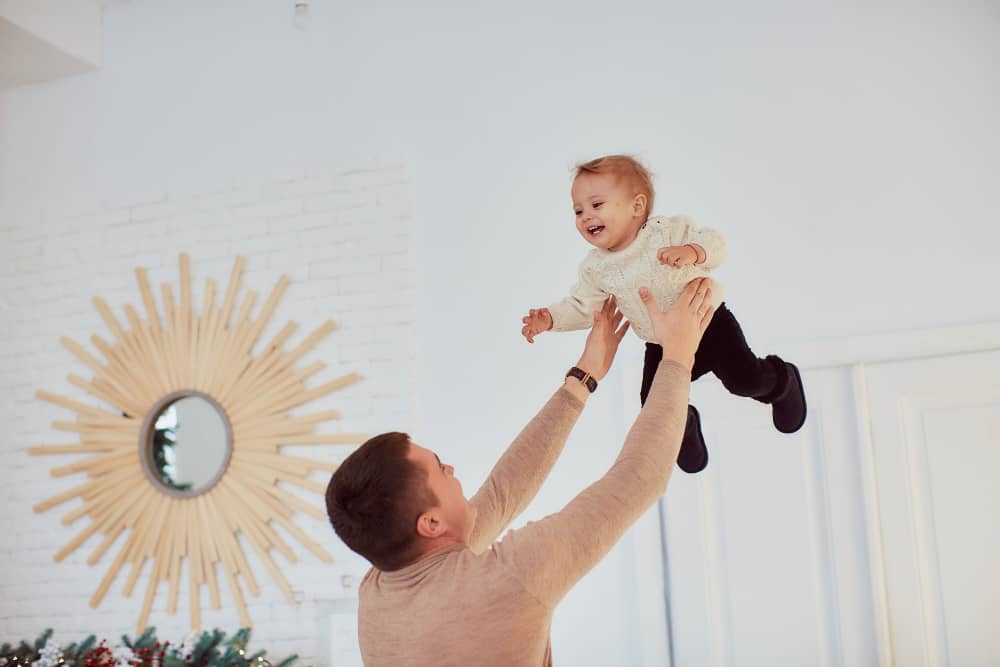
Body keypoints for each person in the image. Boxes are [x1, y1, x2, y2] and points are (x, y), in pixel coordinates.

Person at [326, 279, 714, 667]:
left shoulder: (377, 592)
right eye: (439, 469)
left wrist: (584, 376)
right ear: (429, 523)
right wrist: (678, 355)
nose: (451, 468)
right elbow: (637, 480)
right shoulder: (506, 579)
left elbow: (501, 494)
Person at [521, 154, 807, 473]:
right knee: (655, 407)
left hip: (708, 324)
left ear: (637, 206)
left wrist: (692, 252)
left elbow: (716, 243)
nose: (585, 216)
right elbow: (582, 307)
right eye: (578, 210)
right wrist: (550, 319)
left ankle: (783, 380)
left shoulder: (665, 232)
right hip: (662, 345)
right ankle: (684, 427)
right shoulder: (596, 268)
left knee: (745, 380)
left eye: (596, 204)